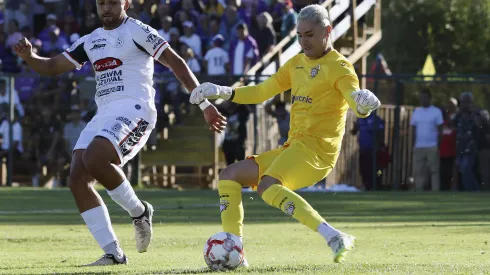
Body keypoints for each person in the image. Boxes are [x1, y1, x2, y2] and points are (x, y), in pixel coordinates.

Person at [12, 0, 226, 266]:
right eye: (101, 3)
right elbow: (53, 67)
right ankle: (113, 253)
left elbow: (175, 61)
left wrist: (204, 103)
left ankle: (139, 212)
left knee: (95, 159)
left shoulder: (138, 30)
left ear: (126, 3)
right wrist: (30, 57)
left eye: (113, 2)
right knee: (77, 178)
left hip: (136, 110)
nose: (106, 8)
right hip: (104, 114)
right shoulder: (91, 40)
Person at [189, 4, 380, 264]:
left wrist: (363, 106)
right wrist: (223, 91)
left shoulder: (340, 67)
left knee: (268, 185)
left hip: (317, 153)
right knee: (229, 176)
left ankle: (334, 236)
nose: (304, 41)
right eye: (300, 35)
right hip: (293, 147)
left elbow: (355, 102)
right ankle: (235, 251)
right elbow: (262, 91)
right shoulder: (296, 63)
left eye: (310, 35)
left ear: (328, 31)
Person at [410, 89, 443, 191]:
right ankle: (419, 190)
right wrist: (413, 145)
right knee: (419, 171)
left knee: (434, 170)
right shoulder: (416, 111)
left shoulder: (436, 111)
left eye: (425, 97)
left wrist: (438, 145)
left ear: (430, 98)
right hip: (419, 146)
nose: (423, 99)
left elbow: (440, 130)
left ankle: (435, 191)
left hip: (432, 146)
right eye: (422, 97)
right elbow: (413, 129)